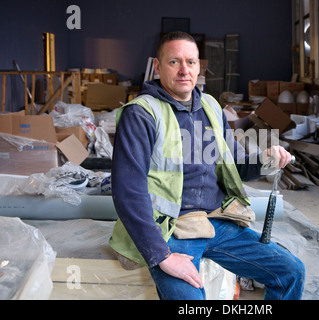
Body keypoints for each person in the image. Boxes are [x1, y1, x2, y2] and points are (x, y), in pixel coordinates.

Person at [109, 31, 305, 300]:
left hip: (216, 222)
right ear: (157, 66)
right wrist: (162, 256)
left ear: (199, 66)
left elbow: (234, 165)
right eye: (174, 62)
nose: (183, 71)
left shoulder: (211, 107)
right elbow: (128, 191)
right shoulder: (142, 114)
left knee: (291, 272)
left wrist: (265, 160)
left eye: (190, 62)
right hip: (171, 230)